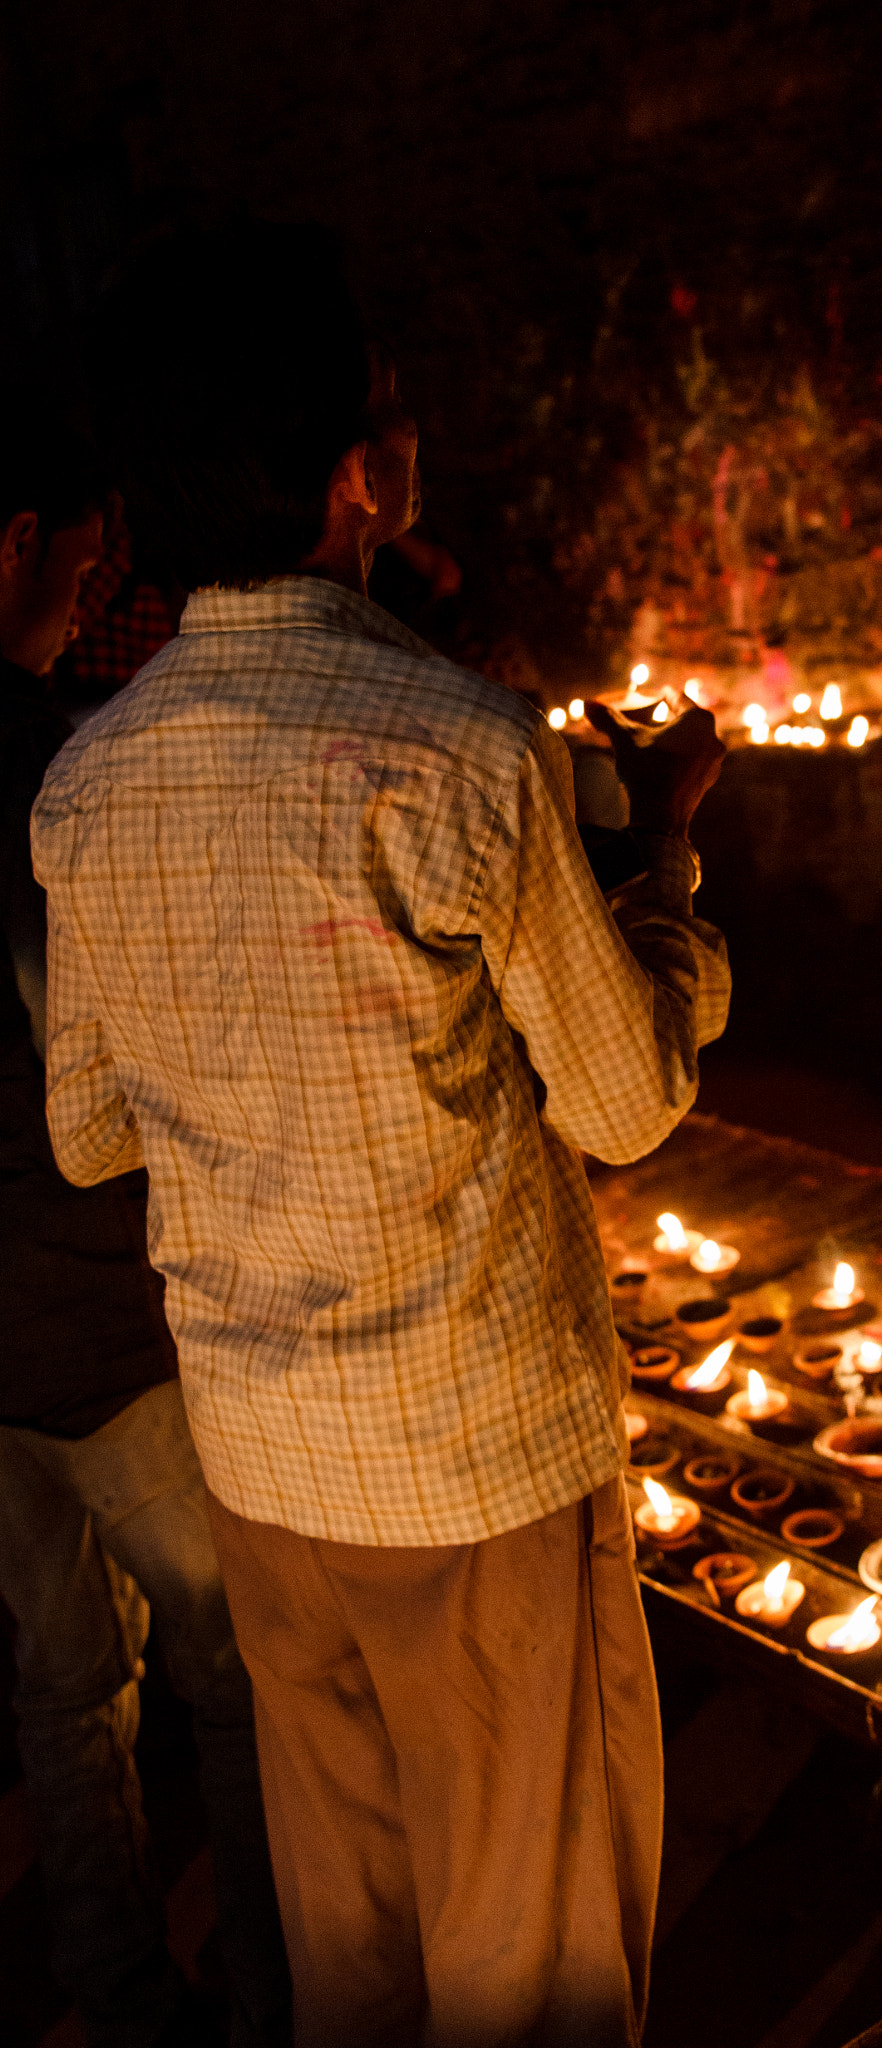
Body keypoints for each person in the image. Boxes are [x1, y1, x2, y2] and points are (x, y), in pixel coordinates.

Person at [34, 222, 730, 2048]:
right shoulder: (459, 751)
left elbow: (93, 1133)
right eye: (392, 418)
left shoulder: (88, 783)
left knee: (356, 1954)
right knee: (538, 1959)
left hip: (261, 1461)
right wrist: (662, 857)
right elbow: (628, 1096)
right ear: (359, 476)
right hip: (475, 1462)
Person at [0, 419, 291, 2046]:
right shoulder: (43, 771)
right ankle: (265, 1996)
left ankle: (110, 1987)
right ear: (13, 542)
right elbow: (88, 1074)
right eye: (80, 560)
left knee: (57, 1673)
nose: (92, 589)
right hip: (91, 1322)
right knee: (230, 1667)